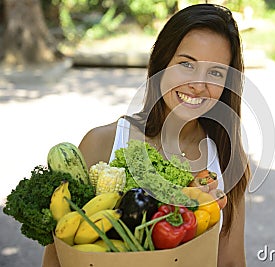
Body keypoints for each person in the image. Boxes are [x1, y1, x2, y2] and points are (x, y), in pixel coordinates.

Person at [42, 4, 250, 267]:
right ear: (161, 64)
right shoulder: (102, 143)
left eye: (216, 72)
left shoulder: (226, 159)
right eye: (186, 64)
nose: (199, 85)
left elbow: (231, 261)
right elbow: (56, 258)